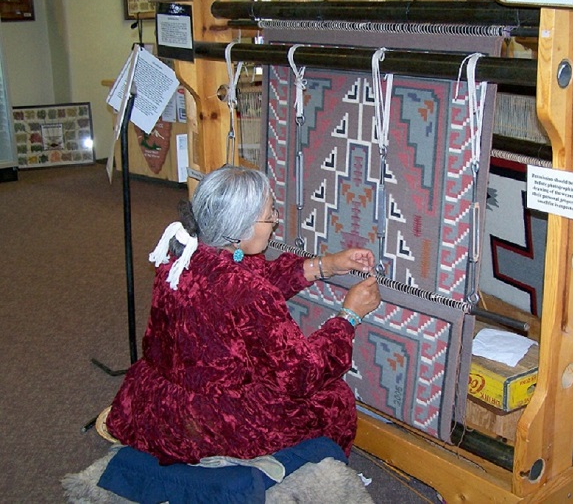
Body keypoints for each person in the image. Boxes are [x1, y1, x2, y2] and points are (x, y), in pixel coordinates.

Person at [106, 165, 381, 466]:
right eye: (269, 215)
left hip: (153, 404)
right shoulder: (246, 291)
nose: (275, 222)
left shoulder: (182, 256)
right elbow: (302, 374)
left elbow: (250, 285)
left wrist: (325, 265)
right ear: (239, 228)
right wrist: (349, 316)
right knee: (334, 399)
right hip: (207, 423)